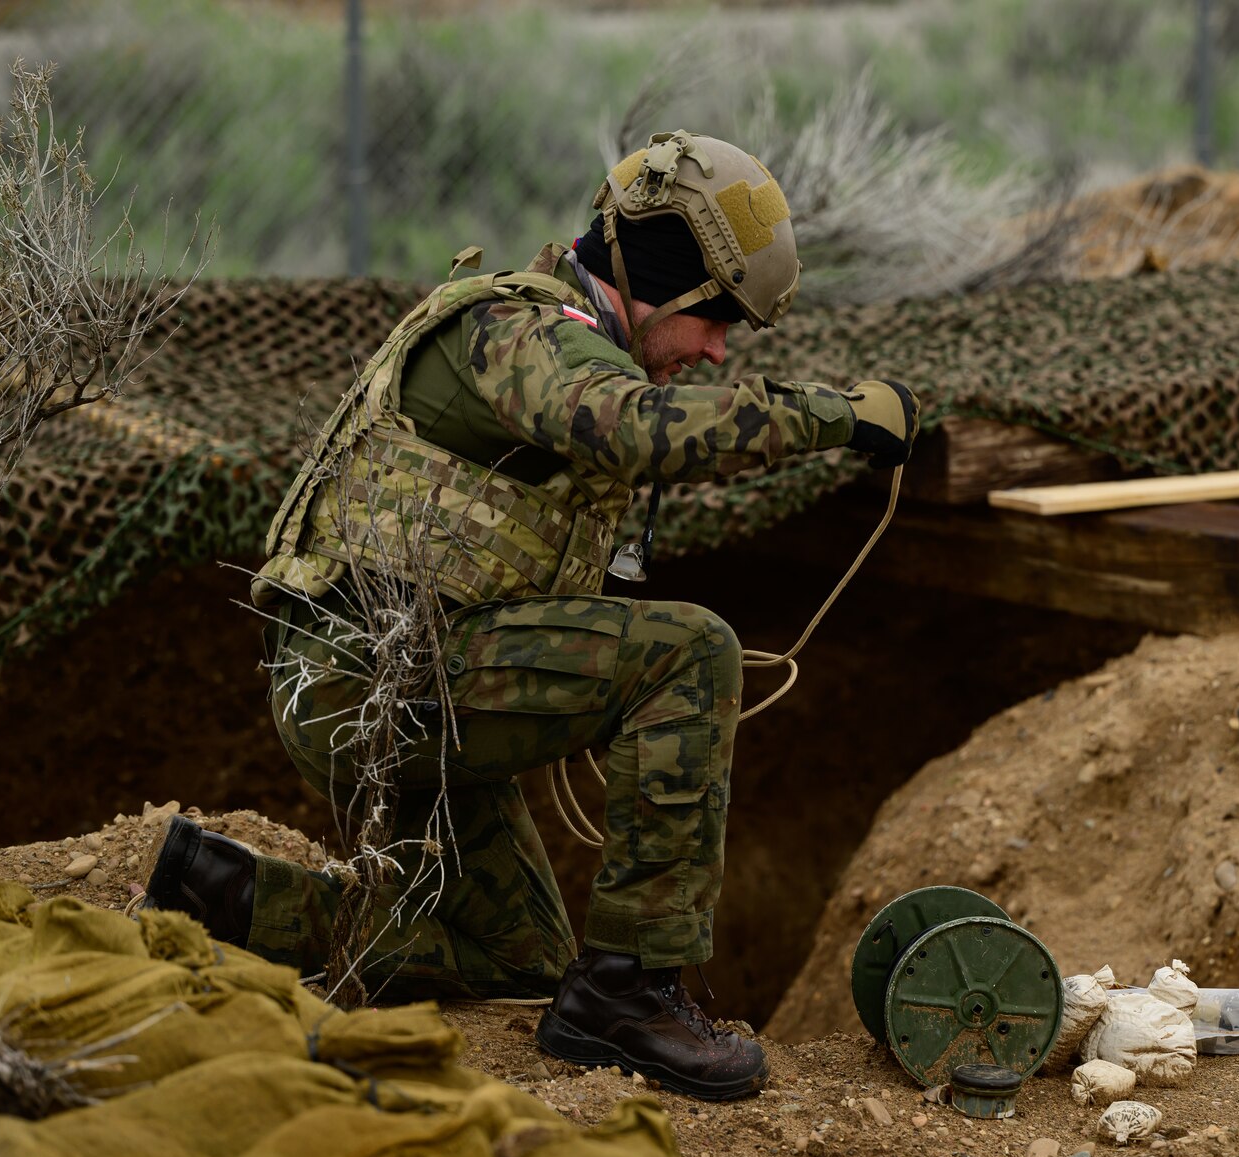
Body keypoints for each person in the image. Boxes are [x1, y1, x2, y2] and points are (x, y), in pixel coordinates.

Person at [141, 130, 919, 1101]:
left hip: (398, 682)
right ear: (662, 282)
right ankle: (631, 989)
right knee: (688, 654)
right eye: (714, 320)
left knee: (514, 954)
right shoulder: (519, 331)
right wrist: (833, 414)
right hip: (375, 679)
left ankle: (226, 895)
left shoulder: (565, 340)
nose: (717, 350)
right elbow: (634, 430)